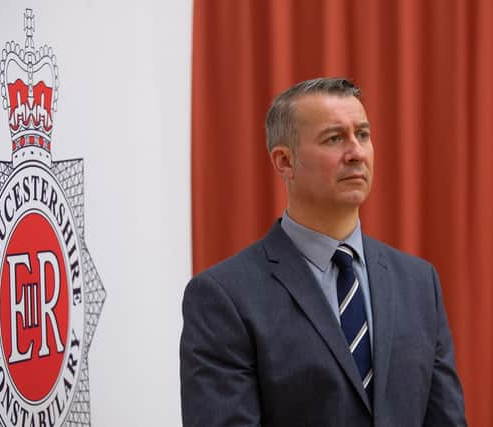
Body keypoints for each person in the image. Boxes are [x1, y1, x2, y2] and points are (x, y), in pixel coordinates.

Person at [180, 77, 467, 426]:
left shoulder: (420, 282)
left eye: (362, 134)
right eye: (334, 138)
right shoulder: (223, 297)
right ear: (284, 162)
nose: (356, 152)